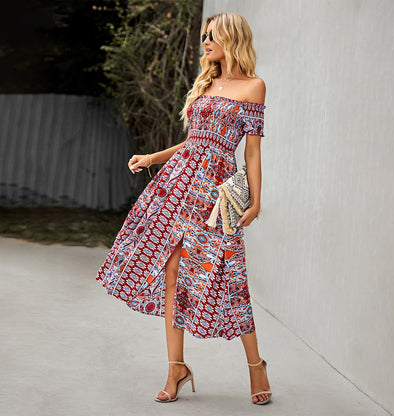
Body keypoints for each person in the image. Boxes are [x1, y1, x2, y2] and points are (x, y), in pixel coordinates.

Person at [96, 12, 272, 405]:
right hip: (178, 186)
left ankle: (256, 365)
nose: (205, 42)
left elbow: (252, 152)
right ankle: (176, 367)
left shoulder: (253, 87)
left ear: (231, 38)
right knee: (171, 267)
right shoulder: (207, 84)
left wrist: (257, 200)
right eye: (204, 35)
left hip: (214, 195)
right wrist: (151, 157)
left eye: (212, 35)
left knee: (231, 277)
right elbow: (193, 143)